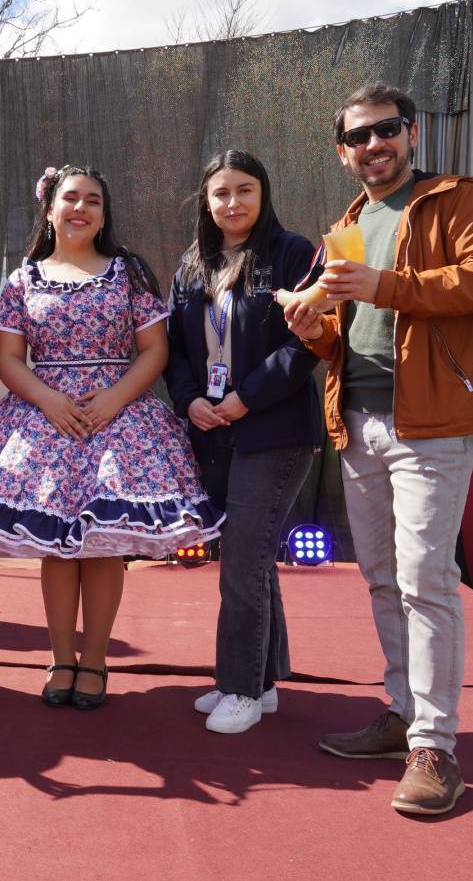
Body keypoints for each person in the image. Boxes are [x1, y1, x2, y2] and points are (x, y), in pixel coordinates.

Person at [0, 165, 222, 710]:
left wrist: (113, 398)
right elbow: (9, 360)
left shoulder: (128, 272)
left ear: (104, 214)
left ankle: (97, 662)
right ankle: (61, 659)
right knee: (57, 550)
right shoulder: (23, 279)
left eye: (92, 201)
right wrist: (50, 400)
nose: (80, 208)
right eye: (70, 199)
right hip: (46, 420)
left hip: (119, 418)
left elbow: (154, 350)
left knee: (103, 548)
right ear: (51, 209)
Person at [284, 83, 473, 815]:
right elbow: (352, 328)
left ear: (410, 134)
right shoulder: (345, 223)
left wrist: (387, 283)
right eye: (358, 137)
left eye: (386, 130)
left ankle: (437, 747)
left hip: (434, 421)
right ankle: (404, 711)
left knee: (424, 578)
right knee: (380, 577)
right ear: (343, 154)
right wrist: (317, 333)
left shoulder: (453, 199)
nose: (374, 145)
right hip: (360, 419)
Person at [164, 150, 320, 734]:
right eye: (221, 192)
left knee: (241, 562)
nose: (233, 203)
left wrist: (245, 398)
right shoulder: (191, 267)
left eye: (245, 190)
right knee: (250, 558)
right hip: (214, 433)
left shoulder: (293, 253)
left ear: (264, 193)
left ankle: (240, 688)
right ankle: (265, 680)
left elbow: (304, 345)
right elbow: (176, 352)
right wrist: (190, 401)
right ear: (206, 201)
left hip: (274, 432)